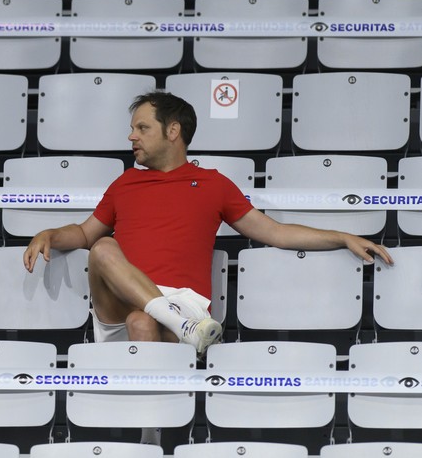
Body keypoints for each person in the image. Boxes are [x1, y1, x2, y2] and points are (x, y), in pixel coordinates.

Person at [23, 91, 393, 353]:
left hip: (185, 305)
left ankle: (151, 437)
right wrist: (51, 234)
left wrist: (342, 236)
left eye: (142, 128)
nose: (131, 136)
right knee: (102, 246)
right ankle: (178, 323)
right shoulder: (125, 182)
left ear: (173, 132)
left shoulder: (214, 184)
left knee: (143, 322)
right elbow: (86, 234)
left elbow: (275, 232)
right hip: (126, 304)